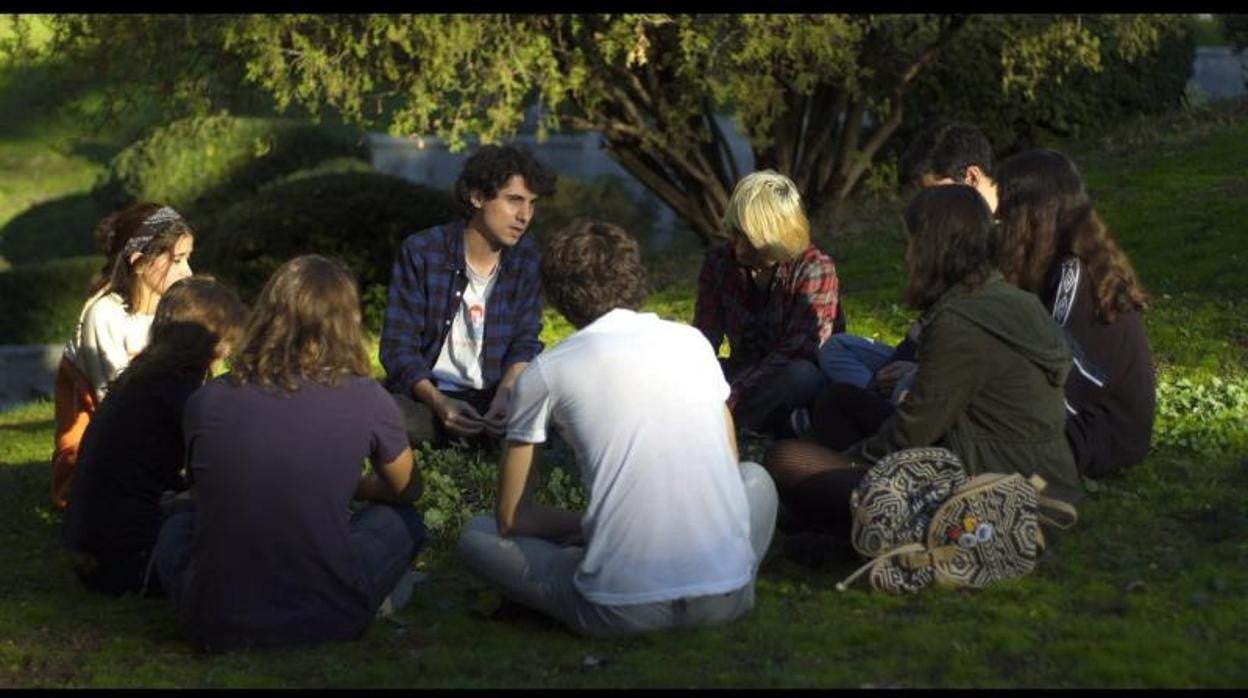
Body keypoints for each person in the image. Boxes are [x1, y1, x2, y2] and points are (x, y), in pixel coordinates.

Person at [458, 221, 778, 638]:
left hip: (619, 613)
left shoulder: (545, 373)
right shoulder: (693, 343)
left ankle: (602, 570)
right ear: (635, 277)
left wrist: (585, 526)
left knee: (477, 535)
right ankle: (720, 571)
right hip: (727, 600)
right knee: (756, 479)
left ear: (557, 297)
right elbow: (729, 466)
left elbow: (511, 517)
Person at [764, 185, 1080, 549]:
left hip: (998, 502)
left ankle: (855, 531)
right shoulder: (1008, 298)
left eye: (911, 243)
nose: (907, 255)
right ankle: (834, 523)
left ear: (933, 247)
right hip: (1029, 475)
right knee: (839, 402)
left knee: (786, 460)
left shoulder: (961, 324)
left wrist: (841, 465)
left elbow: (910, 434)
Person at [153, 255, 426, 652]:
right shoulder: (369, 398)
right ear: (347, 322)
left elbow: (205, 490)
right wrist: (342, 486)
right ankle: (363, 592)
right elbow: (407, 490)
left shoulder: (207, 399)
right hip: (330, 616)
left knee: (176, 527)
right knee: (403, 522)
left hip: (213, 621)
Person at [63, 276, 246, 596]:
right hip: (132, 558)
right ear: (212, 342)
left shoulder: (141, 378)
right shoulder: (182, 393)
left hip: (92, 545)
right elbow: (221, 474)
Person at [994, 149, 1156, 480]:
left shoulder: (1074, 277)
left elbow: (1051, 384)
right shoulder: (1059, 269)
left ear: (1031, 214)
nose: (998, 220)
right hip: (1078, 420)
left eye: (1005, 211)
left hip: (1101, 433)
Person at [380, 144, 555, 449]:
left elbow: (525, 341)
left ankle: (483, 437)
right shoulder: (423, 251)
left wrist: (507, 393)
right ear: (477, 197)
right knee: (385, 415)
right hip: (428, 395)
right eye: (514, 200)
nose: (524, 216)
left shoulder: (526, 257)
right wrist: (439, 402)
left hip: (494, 396)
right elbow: (398, 348)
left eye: (532, 203)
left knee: (557, 415)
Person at [816, 120, 999, 403]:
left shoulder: (1001, 242)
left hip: (962, 373)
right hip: (925, 356)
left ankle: (875, 408)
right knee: (837, 349)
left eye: (937, 195)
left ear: (972, 177)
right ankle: (876, 402)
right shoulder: (952, 234)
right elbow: (928, 320)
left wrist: (918, 370)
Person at [51, 203, 196, 510]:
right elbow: (119, 409)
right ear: (139, 262)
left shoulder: (174, 306)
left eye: (189, 259)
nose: (189, 272)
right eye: (179, 260)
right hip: (97, 453)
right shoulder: (103, 315)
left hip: (155, 435)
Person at [693, 170, 841, 439]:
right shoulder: (719, 262)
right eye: (735, 234)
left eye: (747, 238)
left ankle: (721, 425)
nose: (737, 247)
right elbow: (705, 337)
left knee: (802, 377)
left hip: (784, 376)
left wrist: (734, 395)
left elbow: (799, 351)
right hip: (742, 371)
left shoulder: (814, 268)